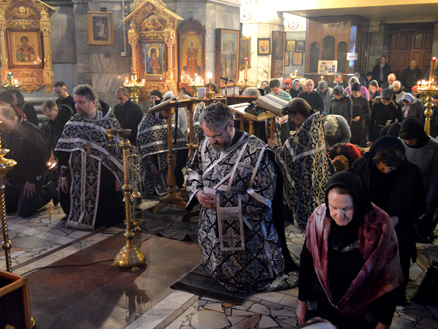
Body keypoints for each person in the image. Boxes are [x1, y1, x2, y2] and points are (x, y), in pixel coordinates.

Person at [185, 102, 298, 292]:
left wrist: (221, 201)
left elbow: (264, 197)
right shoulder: (206, 144)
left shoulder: (257, 151)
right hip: (212, 227)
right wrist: (197, 192)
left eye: (217, 136)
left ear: (231, 125)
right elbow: (192, 169)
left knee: (247, 276)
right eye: (208, 136)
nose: (212, 142)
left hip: (247, 229)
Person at [297, 168, 404, 329]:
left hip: (361, 311)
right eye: (333, 207)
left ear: (359, 202)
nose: (339, 215)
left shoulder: (379, 225)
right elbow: (306, 262)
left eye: (347, 208)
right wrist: (301, 302)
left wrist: (384, 322)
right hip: (321, 304)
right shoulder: (319, 219)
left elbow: (388, 279)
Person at [353, 136, 426, 306]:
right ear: (375, 159)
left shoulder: (410, 171)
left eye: (392, 168)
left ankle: (396, 294)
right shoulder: (361, 166)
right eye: (382, 166)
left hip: (398, 227)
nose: (386, 171)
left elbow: (420, 205)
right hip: (367, 224)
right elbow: (351, 195)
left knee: (398, 262)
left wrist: (398, 219)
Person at [55, 84, 124, 230]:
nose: (77, 106)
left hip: (103, 179)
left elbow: (119, 154)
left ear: (93, 102)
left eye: (81, 102)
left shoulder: (109, 123)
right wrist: (64, 177)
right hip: (76, 178)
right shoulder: (72, 123)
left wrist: (119, 178)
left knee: (107, 214)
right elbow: (63, 154)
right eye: (75, 102)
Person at [268, 98, 334, 227]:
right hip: (317, 174)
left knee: (307, 204)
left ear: (299, 114)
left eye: (292, 116)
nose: (292, 120)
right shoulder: (316, 123)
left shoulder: (304, 133)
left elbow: (285, 156)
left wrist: (274, 147)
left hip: (306, 181)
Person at [0, 105, 57, 217]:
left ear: (12, 118)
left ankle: (50, 188)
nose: (2, 129)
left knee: (24, 212)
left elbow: (39, 158)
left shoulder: (32, 131)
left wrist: (31, 180)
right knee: (7, 208)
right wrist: (5, 175)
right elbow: (5, 155)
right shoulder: (6, 132)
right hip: (13, 178)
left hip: (30, 179)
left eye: (3, 125)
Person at [137, 92, 188, 196]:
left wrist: (174, 158)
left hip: (168, 162)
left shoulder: (169, 118)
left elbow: (177, 143)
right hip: (153, 162)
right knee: (154, 192)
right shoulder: (147, 122)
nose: (171, 114)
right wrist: (151, 165)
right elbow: (144, 148)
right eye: (168, 111)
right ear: (161, 109)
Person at [399, 118, 438, 242]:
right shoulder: (401, 143)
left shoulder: (433, 147)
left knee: (422, 228)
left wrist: (430, 201)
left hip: (425, 190)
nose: (407, 142)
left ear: (418, 134)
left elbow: (435, 176)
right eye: (405, 139)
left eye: (410, 139)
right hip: (405, 191)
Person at [41, 100, 74, 214]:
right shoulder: (46, 123)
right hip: (53, 157)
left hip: (66, 157)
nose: (48, 118)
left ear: (56, 109)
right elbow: (47, 141)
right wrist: (50, 157)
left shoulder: (68, 121)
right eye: (46, 116)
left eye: (50, 115)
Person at [350, 82, 370, 146]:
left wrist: (360, 117)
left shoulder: (363, 100)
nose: (354, 94)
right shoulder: (349, 98)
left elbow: (368, 113)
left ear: (359, 91)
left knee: (360, 142)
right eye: (353, 92)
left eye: (355, 92)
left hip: (360, 124)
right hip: (351, 123)